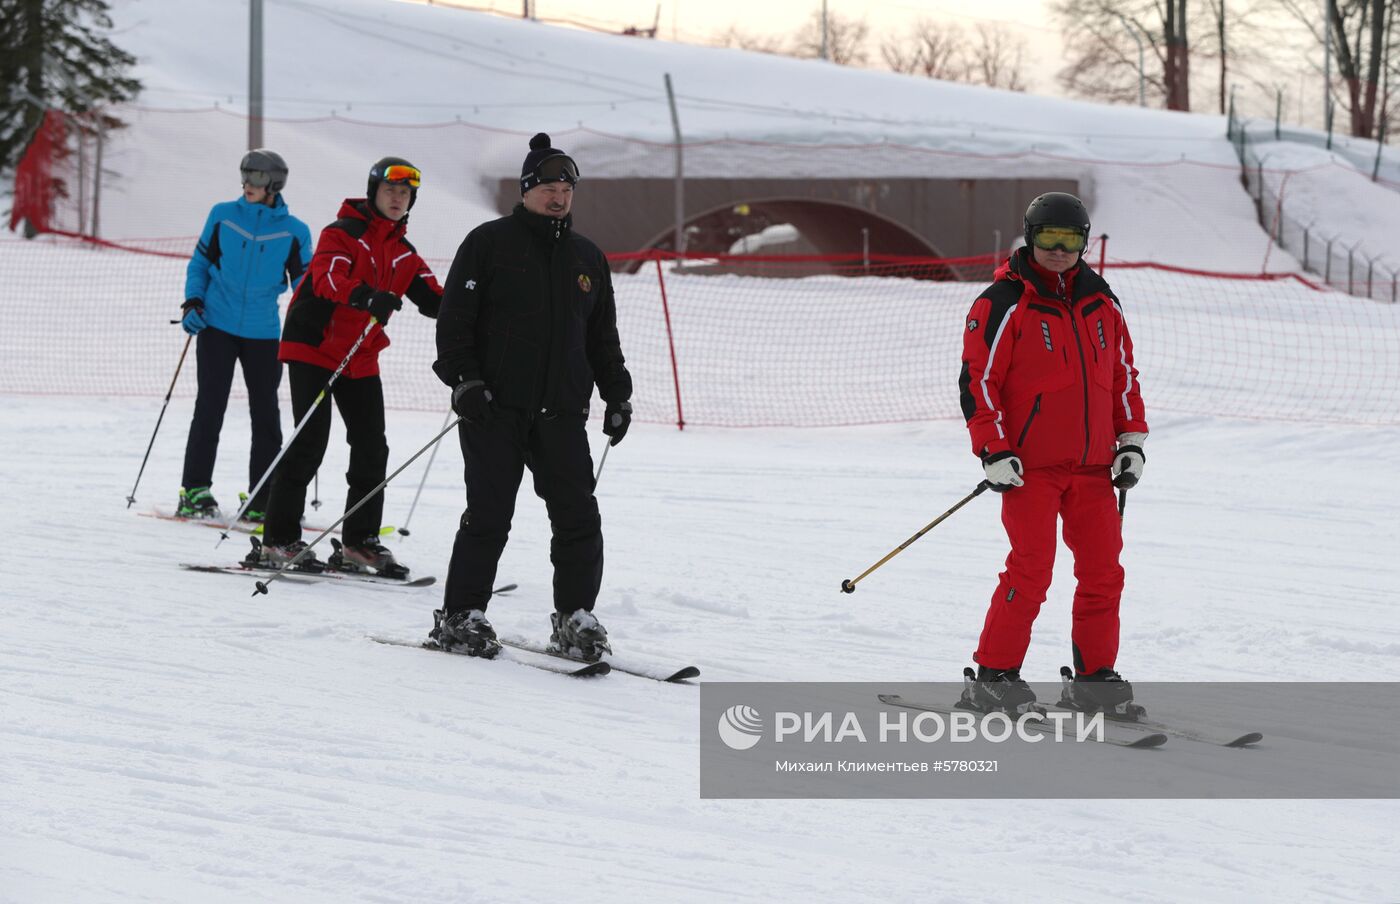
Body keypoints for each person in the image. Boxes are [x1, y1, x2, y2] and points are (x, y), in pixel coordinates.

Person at [429, 132, 633, 661]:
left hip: (562, 412)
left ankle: (574, 618)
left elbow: (601, 337)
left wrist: (617, 394)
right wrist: (465, 382)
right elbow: (455, 323)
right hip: (495, 406)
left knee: (578, 518)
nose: (558, 194)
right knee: (490, 514)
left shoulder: (587, 257)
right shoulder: (488, 243)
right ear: (525, 190)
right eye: (546, 185)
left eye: (566, 185)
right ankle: (461, 616)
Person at [957, 192, 1149, 714]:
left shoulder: (1102, 303)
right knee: (1031, 570)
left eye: (1070, 240)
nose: (1059, 250)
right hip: (1029, 470)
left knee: (1104, 573)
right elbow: (979, 381)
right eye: (1048, 238)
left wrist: (1130, 441)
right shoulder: (1002, 303)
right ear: (1029, 237)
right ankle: (993, 676)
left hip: (1093, 468)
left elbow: (1123, 376)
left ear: (1084, 243)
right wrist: (993, 450)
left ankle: (1093, 680)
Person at [252, 157, 442, 577]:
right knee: (309, 442)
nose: (398, 198)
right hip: (314, 348)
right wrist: (366, 296)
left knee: (373, 447)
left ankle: (359, 542)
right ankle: (278, 539)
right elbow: (326, 278)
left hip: (360, 355)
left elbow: (433, 298)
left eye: (406, 193)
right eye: (391, 191)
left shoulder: (404, 253)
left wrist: (476, 309)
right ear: (374, 192)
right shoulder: (342, 233)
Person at [176, 149, 312, 521]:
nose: (246, 185)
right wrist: (193, 302)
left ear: (273, 184)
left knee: (266, 415)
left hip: (263, 333)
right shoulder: (223, 215)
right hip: (216, 325)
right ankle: (195, 491)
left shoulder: (294, 231)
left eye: (255, 178)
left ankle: (262, 497)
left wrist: (316, 321)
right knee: (210, 408)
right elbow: (200, 263)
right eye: (245, 177)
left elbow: (304, 287)